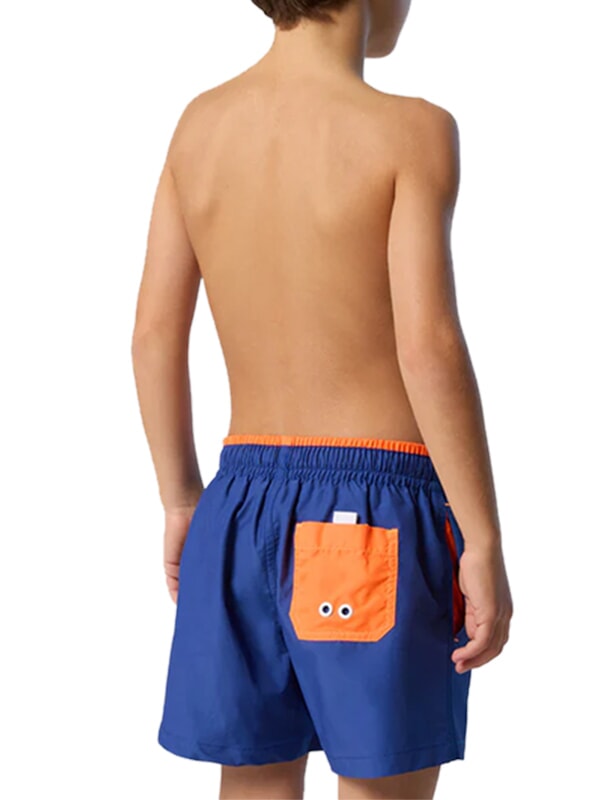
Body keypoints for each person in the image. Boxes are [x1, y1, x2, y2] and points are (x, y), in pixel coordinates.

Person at [131, 1, 513, 797]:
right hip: (374, 512)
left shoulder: (200, 128)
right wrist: (480, 539)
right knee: (381, 783)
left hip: (236, 510)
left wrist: (180, 499)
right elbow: (428, 346)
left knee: (256, 784)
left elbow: (153, 338)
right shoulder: (412, 130)